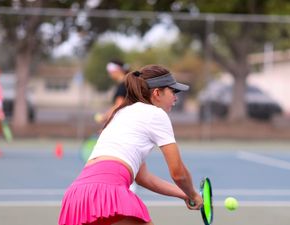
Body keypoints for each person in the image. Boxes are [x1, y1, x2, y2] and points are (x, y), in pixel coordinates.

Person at [58, 64, 202, 225]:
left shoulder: (121, 113)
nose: (176, 97)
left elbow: (144, 178)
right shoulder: (156, 114)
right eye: (173, 91)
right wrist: (194, 194)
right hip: (107, 191)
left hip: (77, 197)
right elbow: (178, 173)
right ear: (157, 93)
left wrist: (185, 194)